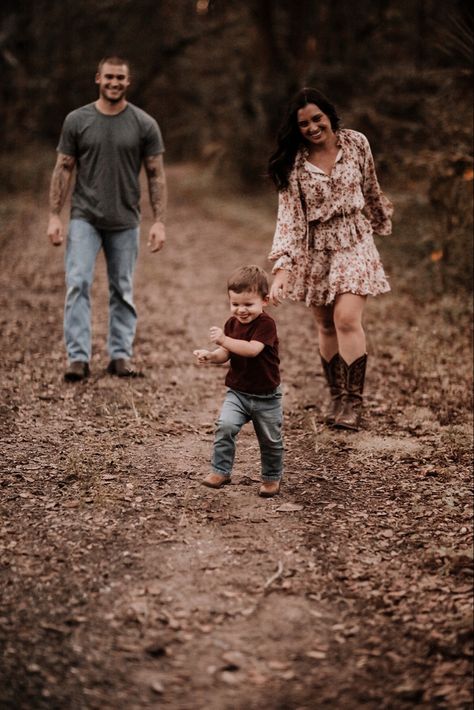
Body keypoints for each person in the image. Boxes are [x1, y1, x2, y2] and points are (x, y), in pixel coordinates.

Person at [267, 87, 393, 430]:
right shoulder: (293, 163)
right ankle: (336, 396)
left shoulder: (356, 143)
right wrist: (283, 268)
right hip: (315, 247)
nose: (311, 127)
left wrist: (380, 217)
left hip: (354, 238)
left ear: (329, 115)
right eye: (304, 123)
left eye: (317, 119)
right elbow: (289, 218)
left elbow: (370, 185)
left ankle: (354, 403)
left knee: (347, 318)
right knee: (324, 323)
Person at [47, 55, 167, 382]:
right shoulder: (77, 120)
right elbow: (64, 167)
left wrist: (158, 221)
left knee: (122, 289)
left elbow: (156, 174)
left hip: (127, 219)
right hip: (84, 216)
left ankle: (120, 357)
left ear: (128, 82)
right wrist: (54, 216)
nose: (114, 83)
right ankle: (77, 358)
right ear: (97, 78)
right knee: (78, 283)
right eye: (109, 77)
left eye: (120, 78)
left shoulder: (144, 123)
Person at [193, 265, 284, 498]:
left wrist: (224, 340)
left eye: (248, 304)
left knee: (271, 440)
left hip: (267, 396)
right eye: (235, 304)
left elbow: (251, 350)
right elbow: (227, 354)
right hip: (239, 393)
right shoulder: (232, 324)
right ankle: (220, 471)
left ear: (264, 301)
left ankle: (271, 478)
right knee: (225, 426)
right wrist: (212, 355)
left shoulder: (266, 325)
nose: (241, 310)